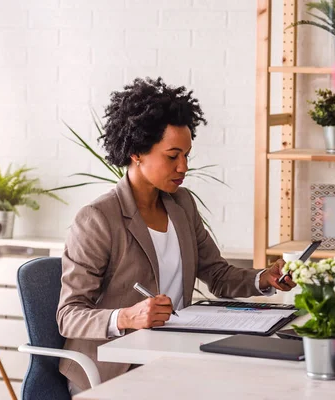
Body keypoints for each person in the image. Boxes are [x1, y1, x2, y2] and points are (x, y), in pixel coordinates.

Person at [56, 77, 296, 394]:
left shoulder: (181, 204)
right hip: (112, 370)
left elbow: (216, 273)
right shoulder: (98, 219)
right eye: (172, 156)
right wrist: (126, 317)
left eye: (187, 155)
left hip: (171, 355)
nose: (183, 166)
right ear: (137, 153)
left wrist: (263, 278)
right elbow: (69, 315)